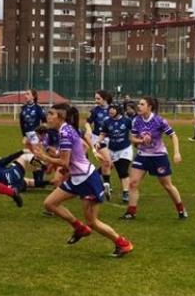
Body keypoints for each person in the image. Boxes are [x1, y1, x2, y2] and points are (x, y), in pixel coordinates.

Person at [36, 103, 133, 257]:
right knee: (50, 203)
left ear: (60, 117)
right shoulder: (66, 129)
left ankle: (123, 243)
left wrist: (45, 157)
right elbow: (82, 147)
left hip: (87, 180)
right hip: (77, 178)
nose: (47, 116)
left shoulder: (66, 133)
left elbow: (65, 162)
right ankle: (79, 228)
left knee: (92, 221)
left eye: (51, 114)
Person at [124, 96, 187, 219]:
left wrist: (176, 153)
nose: (139, 106)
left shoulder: (159, 120)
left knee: (167, 185)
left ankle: (181, 209)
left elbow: (173, 136)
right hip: (142, 156)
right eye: (139, 104)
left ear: (150, 107)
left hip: (158, 156)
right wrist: (141, 141)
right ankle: (130, 213)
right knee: (133, 183)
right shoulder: (136, 120)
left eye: (142, 104)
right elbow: (132, 138)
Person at [97, 102, 134, 204]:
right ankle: (107, 184)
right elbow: (103, 134)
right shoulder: (107, 121)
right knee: (106, 165)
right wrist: (98, 141)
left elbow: (133, 133)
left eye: (113, 109)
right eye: (110, 109)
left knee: (122, 170)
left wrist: (137, 141)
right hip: (112, 149)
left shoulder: (127, 121)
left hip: (125, 149)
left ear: (118, 110)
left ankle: (126, 192)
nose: (111, 111)